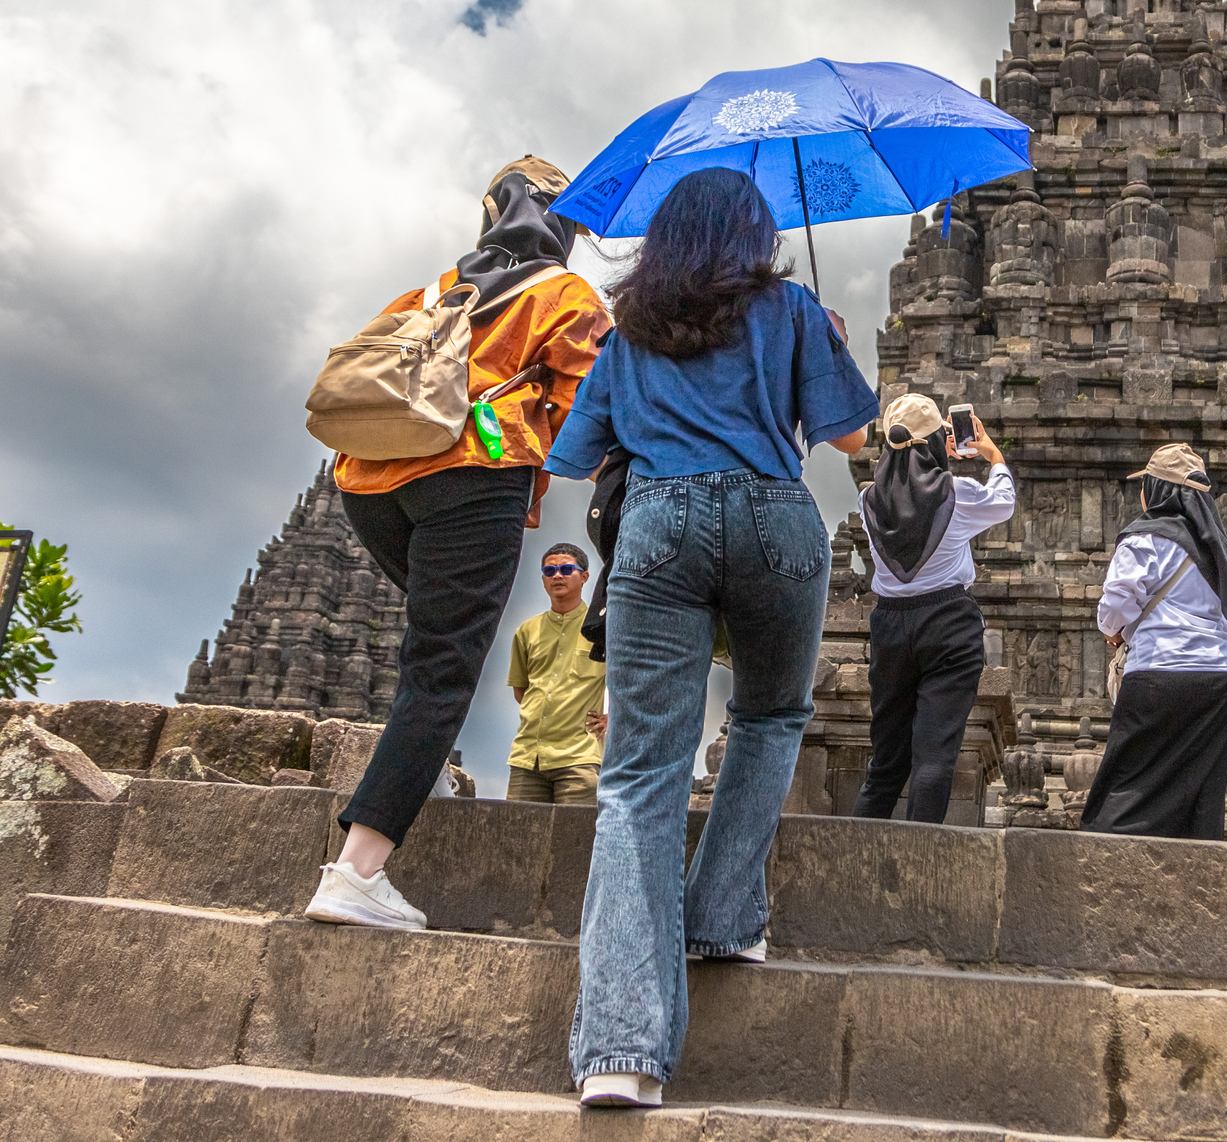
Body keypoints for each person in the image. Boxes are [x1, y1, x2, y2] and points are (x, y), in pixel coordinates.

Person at [542, 166, 876, 1109]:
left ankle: (619, 1051)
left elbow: (575, 456)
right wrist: (825, 343)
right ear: (754, 233)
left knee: (642, 776)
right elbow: (852, 437)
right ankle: (721, 918)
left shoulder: (629, 328)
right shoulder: (794, 309)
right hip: (777, 519)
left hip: (658, 525)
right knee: (771, 717)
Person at [304, 156, 609, 931]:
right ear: (562, 223)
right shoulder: (563, 293)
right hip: (473, 475)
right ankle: (357, 870)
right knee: (442, 667)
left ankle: (415, 779)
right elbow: (589, 412)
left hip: (367, 482)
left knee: (430, 644)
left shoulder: (441, 287)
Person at [853, 395, 1015, 824]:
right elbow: (1004, 500)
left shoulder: (868, 500)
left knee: (886, 763)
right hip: (947, 621)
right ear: (937, 443)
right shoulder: (956, 494)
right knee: (934, 755)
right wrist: (991, 455)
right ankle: (920, 862)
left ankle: (850, 857)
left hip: (889, 625)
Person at [1080, 442, 1227, 841]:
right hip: (1216, 683)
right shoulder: (1217, 552)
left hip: (1158, 674)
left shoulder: (1144, 538)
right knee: (1198, 796)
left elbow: (1118, 600)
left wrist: (1111, 630)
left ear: (1157, 491)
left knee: (1124, 788)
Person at [505, 543, 606, 805]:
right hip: (528, 757)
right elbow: (522, 690)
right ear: (543, 579)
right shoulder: (527, 631)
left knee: (573, 843)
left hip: (579, 758)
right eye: (550, 571)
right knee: (517, 838)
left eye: (566, 569)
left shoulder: (601, 630)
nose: (557, 576)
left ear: (584, 576)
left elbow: (633, 681)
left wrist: (613, 718)